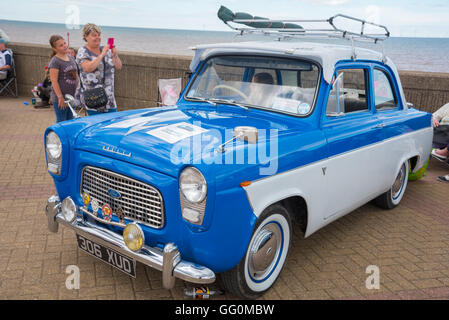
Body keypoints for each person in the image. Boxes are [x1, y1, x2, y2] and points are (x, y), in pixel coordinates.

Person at [76, 23, 122, 115]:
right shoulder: (83, 52)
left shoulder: (106, 50)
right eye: (94, 35)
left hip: (110, 100)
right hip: (94, 100)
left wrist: (114, 54)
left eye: (99, 35)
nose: (98, 37)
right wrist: (101, 55)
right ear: (86, 37)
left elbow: (118, 66)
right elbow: (88, 68)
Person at [48, 35, 78, 122]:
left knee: (71, 121)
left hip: (72, 97)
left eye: (64, 43)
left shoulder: (71, 58)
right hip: (61, 99)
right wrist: (60, 97)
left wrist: (78, 92)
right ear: (54, 48)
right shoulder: (55, 61)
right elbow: (54, 81)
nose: (65, 46)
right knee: (62, 122)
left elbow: (76, 75)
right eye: (61, 45)